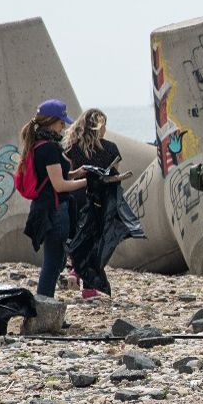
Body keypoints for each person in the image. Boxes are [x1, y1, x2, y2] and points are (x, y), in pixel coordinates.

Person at [20, 100, 87, 298]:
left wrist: (76, 173)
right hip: (54, 210)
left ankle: (45, 302)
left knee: (57, 260)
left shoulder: (38, 145)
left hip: (47, 207)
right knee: (53, 261)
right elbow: (59, 185)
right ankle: (44, 303)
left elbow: (52, 179)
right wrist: (88, 182)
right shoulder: (49, 148)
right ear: (50, 121)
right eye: (61, 122)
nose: (63, 126)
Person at [63, 108, 120, 299]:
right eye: (104, 125)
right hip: (99, 199)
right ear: (99, 127)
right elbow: (114, 177)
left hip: (76, 196)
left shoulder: (72, 148)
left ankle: (78, 274)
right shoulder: (110, 148)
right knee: (95, 242)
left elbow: (67, 175)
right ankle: (86, 282)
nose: (105, 130)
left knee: (78, 237)